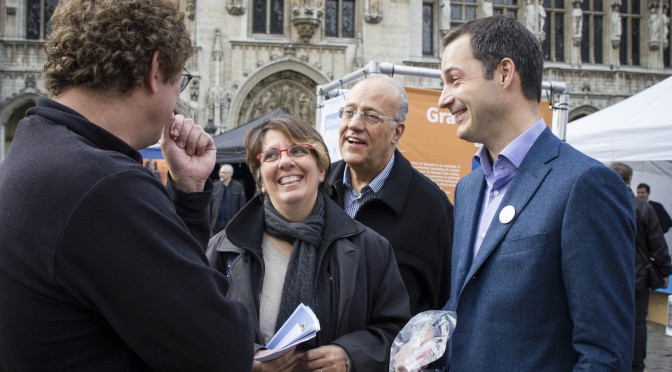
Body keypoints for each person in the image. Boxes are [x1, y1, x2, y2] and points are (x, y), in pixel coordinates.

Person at [0, 1, 254, 370]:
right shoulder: (105, 184)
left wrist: (187, 192)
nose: (177, 100)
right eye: (180, 81)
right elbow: (224, 350)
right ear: (154, 70)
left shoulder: (35, 147)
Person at [438, 16, 636, 370]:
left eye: (455, 79)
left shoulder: (585, 184)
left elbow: (604, 354)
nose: (443, 99)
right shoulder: (468, 189)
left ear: (503, 73)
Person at [206, 114, 411, 371]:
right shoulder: (224, 249)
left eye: (299, 150)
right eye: (270, 156)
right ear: (260, 180)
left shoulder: (370, 248)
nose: (285, 161)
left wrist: (351, 355)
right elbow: (199, 330)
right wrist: (251, 360)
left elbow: (397, 332)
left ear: (322, 169)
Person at [327, 74, 454, 315]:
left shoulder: (432, 209)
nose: (354, 124)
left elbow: (442, 307)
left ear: (397, 132)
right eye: (349, 111)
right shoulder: (318, 188)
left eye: (371, 115)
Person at [610, 163, 671, 372]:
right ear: (630, 180)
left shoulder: (603, 203)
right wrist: (664, 271)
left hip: (607, 277)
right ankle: (636, 366)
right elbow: (657, 242)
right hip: (636, 277)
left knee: (609, 320)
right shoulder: (643, 207)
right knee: (636, 323)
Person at [210, 163, 248, 234]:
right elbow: (209, 205)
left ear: (230, 174)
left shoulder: (238, 187)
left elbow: (242, 206)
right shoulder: (215, 186)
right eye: (220, 172)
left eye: (223, 173)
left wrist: (240, 223)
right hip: (216, 223)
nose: (220, 174)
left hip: (231, 223)